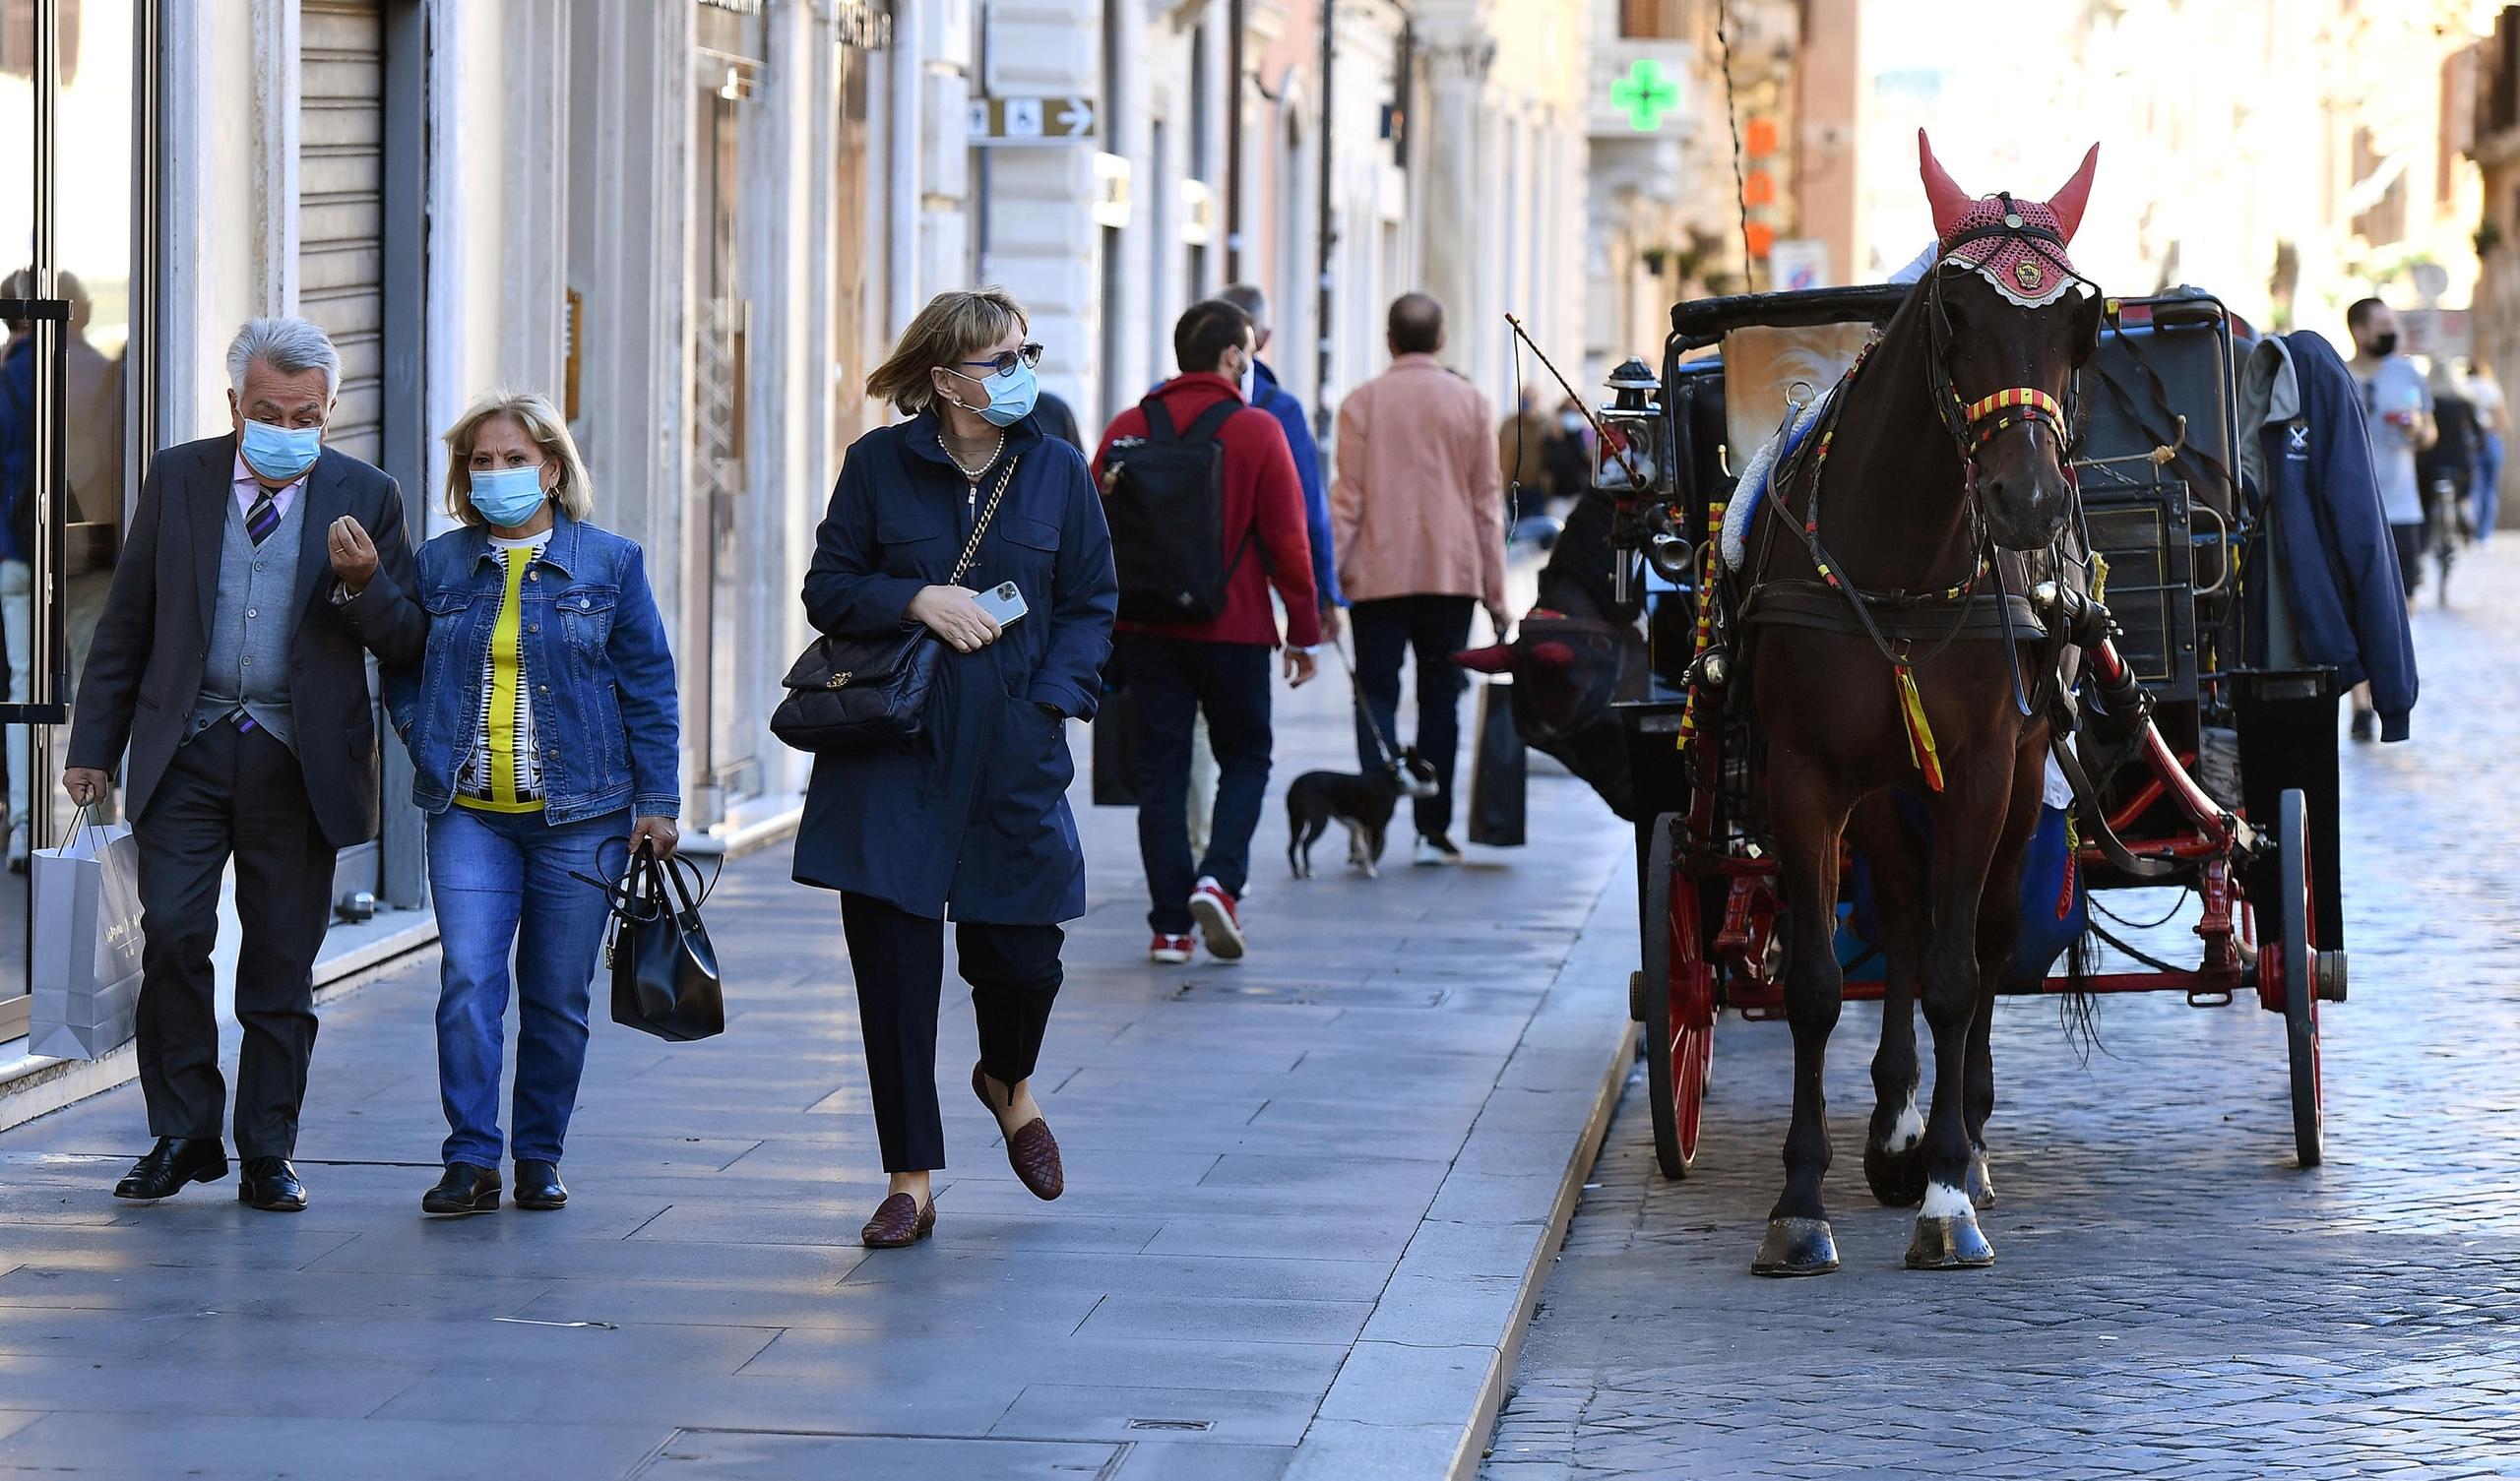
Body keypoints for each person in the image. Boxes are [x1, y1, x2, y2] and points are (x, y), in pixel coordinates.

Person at [64, 318, 424, 1211]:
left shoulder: (368, 494)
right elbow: (127, 623)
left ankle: (269, 1147)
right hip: (184, 750)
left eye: (305, 414)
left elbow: (409, 636)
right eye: (268, 410)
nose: (285, 427)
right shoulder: (179, 476)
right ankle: (184, 1132)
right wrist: (91, 749)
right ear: (235, 404)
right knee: (175, 935)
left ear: (330, 413)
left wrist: (365, 581)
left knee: (279, 962)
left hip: (298, 762)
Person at [794, 287, 1116, 1250]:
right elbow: (828, 588)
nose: (1020, 373)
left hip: (1012, 751)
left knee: (1022, 961)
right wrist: (918, 597)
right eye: (999, 359)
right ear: (942, 379)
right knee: (892, 974)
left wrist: (1052, 698)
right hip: (892, 752)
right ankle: (910, 1178)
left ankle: (1005, 1081)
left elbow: (1093, 599)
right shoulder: (877, 465)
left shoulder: (1056, 468)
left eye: (1026, 353)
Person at [368, 391, 680, 1217]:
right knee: (468, 980)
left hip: (583, 816)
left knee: (555, 992)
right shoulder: (438, 564)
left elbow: (650, 684)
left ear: (551, 467)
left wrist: (658, 800)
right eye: (480, 460)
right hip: (469, 811)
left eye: (513, 459)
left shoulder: (610, 562)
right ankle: (471, 1157)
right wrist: (420, 732)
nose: (495, 474)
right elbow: (400, 659)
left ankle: (539, 1151)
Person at [1093, 299, 1320, 964]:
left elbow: (1089, 527)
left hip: (1144, 627)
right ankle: (1220, 880)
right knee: (1245, 756)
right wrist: (1302, 631)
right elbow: (1289, 542)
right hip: (1235, 628)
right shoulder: (1256, 431)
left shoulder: (1129, 426)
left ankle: (1169, 927)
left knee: (1160, 772)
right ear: (1233, 356)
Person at [1331, 292, 1506, 865]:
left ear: (1389, 339)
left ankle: (1370, 818)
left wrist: (1326, 580)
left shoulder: (1361, 403)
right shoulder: (1473, 405)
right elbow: (1487, 505)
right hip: (1449, 576)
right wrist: (1498, 596)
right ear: (1441, 339)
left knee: (1376, 693)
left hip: (1376, 574)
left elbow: (1346, 501)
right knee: (1440, 700)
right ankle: (1433, 827)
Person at [1218, 283, 1343, 639]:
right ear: (1263, 337)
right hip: (1246, 604)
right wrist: (1320, 598)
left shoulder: (1153, 406)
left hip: (1158, 612)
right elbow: (1306, 511)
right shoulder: (1280, 411)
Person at [2345, 297, 2432, 735]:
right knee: (2356, 604)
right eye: (2382, 324)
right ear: (2359, 331)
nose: (2390, 331)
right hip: (2355, 509)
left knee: (2402, 605)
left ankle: (2387, 682)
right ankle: (2361, 705)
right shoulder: (2339, 377)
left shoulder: (2407, 373)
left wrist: (2419, 430)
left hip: (2402, 509)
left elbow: (2429, 430)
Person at [1497, 388, 1552, 524]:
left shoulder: (1546, 425)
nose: (1527, 402)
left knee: (1537, 527)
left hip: (1537, 488)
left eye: (1531, 399)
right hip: (1514, 486)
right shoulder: (1510, 424)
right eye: (1524, 398)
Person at [2469, 358, 2505, 544]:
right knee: (2490, 489)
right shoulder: (2491, 387)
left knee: (2475, 488)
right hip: (2490, 438)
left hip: (2471, 440)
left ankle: (2471, 530)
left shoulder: (2465, 387)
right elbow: (2501, 418)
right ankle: (2484, 534)